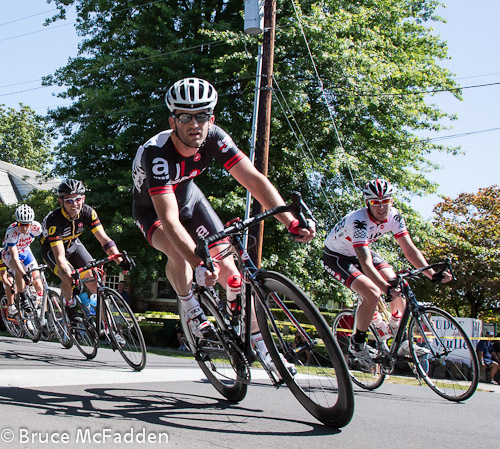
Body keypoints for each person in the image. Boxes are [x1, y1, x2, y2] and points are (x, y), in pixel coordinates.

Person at [132, 77, 315, 376]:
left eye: (202, 115)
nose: (195, 124)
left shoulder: (215, 137)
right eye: (186, 117)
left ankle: (259, 342)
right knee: (181, 255)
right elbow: (169, 218)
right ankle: (190, 307)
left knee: (233, 275)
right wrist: (199, 262)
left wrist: (290, 220)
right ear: (172, 120)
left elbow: (253, 180)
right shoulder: (157, 153)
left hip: (191, 200)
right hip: (153, 212)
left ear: (211, 118)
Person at [322, 179, 452, 368]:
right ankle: (357, 342)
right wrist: (384, 289)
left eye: (386, 201)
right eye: (376, 202)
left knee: (396, 283)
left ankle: (396, 335)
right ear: (368, 203)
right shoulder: (359, 221)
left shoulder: (395, 216)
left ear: (391, 201)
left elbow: (409, 249)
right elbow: (365, 263)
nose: (382, 207)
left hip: (360, 253)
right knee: (373, 293)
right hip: (337, 257)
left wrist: (432, 274)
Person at [40, 179, 130, 325]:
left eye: (78, 199)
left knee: (96, 284)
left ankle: (108, 329)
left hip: (74, 245)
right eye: (69, 201)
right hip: (53, 250)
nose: (75, 204)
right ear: (61, 201)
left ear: (83, 198)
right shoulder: (54, 220)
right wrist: (70, 275)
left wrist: (119, 259)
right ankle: (70, 306)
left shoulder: (88, 212)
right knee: (67, 275)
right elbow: (61, 257)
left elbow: (104, 240)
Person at [1, 205, 44, 315]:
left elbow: (47, 243)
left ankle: (40, 308)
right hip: (9, 254)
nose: (24, 228)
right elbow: (15, 257)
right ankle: (23, 297)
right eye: (21, 225)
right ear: (17, 222)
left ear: (31, 223)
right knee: (19, 269)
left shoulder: (37, 227)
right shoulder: (12, 232)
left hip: (25, 251)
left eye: (27, 225)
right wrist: (25, 275)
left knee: (38, 281)